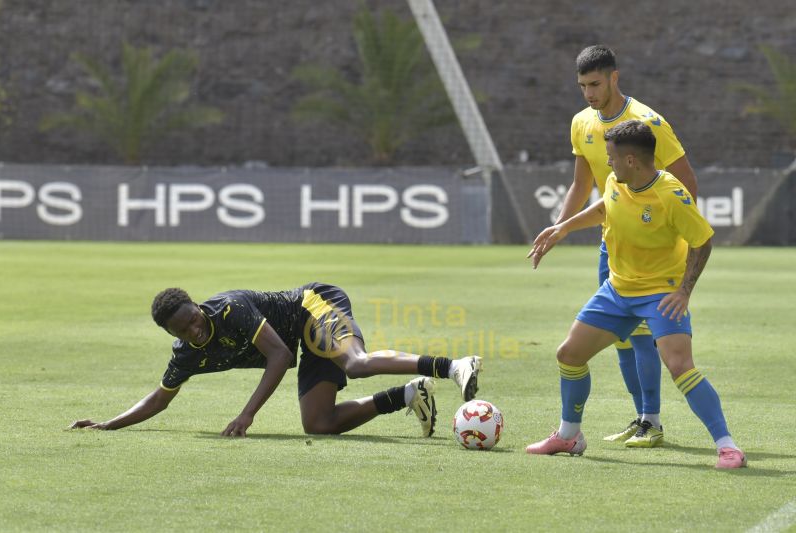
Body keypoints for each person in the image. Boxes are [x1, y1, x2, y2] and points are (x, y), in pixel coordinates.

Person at [525, 120, 746, 469]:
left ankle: (728, 446)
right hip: (617, 289)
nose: (607, 163)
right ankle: (569, 435)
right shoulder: (617, 180)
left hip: (660, 293)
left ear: (631, 160)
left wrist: (684, 291)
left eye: (611, 157)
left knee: (679, 367)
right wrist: (563, 227)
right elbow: (605, 208)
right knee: (569, 354)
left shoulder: (671, 195)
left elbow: (702, 242)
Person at [70, 282, 482, 438]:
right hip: (303, 342)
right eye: (183, 330)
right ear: (171, 334)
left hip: (312, 307)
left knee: (355, 364)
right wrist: (109, 423)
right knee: (318, 424)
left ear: (198, 306)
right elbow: (160, 398)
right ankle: (409, 395)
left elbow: (280, 356)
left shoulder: (228, 310)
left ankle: (452, 366)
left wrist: (247, 414)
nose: (194, 329)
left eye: (193, 318)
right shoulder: (187, 354)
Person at [554, 45, 700, 447]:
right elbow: (582, 185)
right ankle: (641, 418)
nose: (588, 93)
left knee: (640, 335)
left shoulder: (647, 122)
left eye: (595, 84)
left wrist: (670, 240)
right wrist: (559, 228)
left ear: (614, 77)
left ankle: (652, 419)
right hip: (611, 245)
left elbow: (686, 183)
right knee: (619, 336)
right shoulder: (581, 122)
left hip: (650, 248)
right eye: (582, 86)